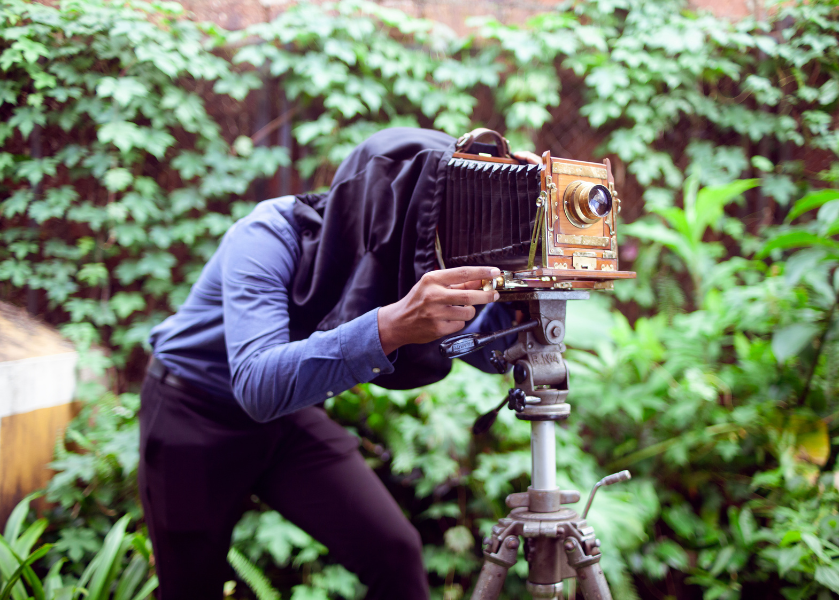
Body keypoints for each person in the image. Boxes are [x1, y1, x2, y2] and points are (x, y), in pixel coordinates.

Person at [139, 127, 540, 599]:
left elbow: (487, 348)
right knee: (192, 588)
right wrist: (391, 326)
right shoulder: (265, 235)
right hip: (193, 411)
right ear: (386, 217)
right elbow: (257, 383)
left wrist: (526, 273)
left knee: (394, 552)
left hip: (289, 417)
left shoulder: (399, 259)